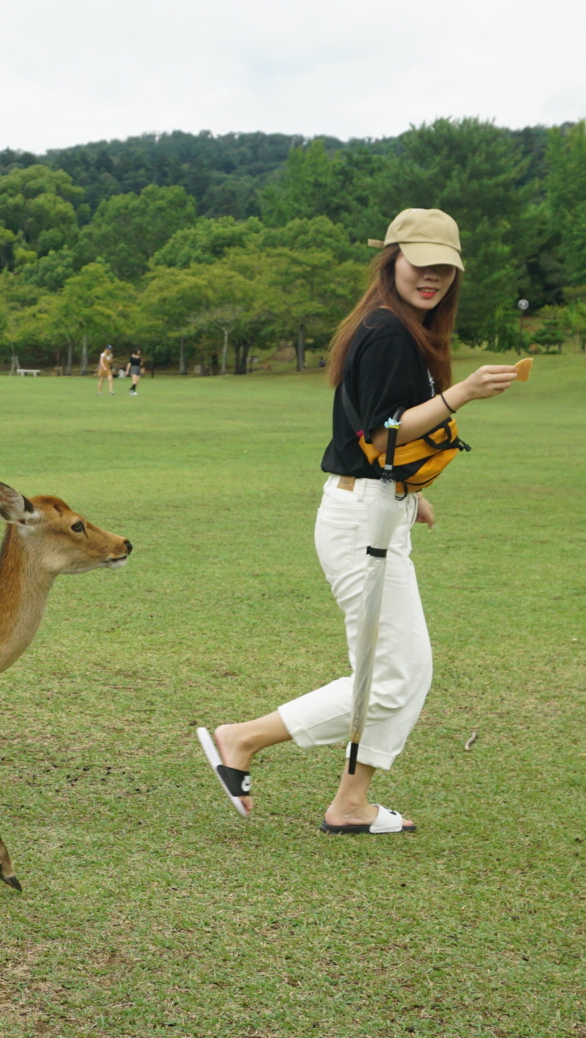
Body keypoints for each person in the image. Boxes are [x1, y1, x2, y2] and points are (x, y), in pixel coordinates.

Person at [195, 208, 518, 834]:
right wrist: (463, 393)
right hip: (358, 520)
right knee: (394, 673)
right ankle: (243, 739)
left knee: (398, 669)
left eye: (444, 269)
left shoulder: (401, 330)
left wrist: (403, 491)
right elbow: (384, 428)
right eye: (421, 263)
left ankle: (350, 802)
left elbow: (370, 434)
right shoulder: (388, 331)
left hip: (375, 507)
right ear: (392, 258)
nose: (432, 277)